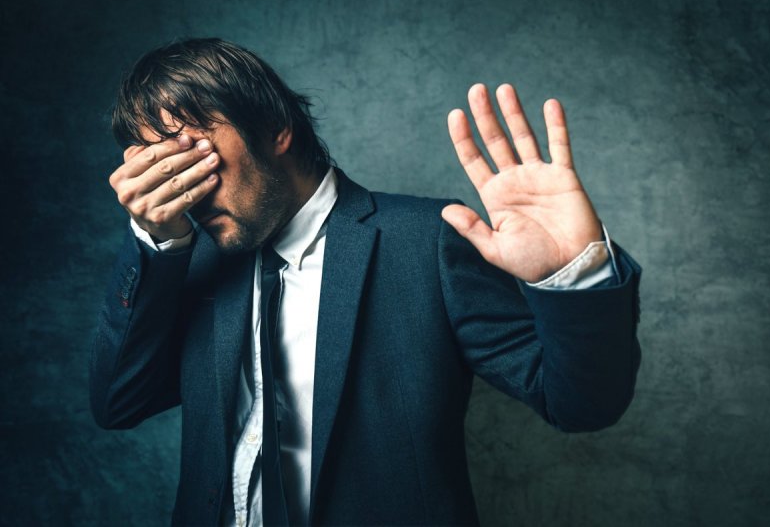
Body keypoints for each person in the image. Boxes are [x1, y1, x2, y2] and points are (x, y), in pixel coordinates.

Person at [91, 38, 641, 527]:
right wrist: (155, 243)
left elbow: (581, 405)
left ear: (275, 128)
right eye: (158, 165)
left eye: (190, 153)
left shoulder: (426, 242)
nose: (181, 187)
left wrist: (574, 274)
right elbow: (119, 404)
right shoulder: (187, 262)